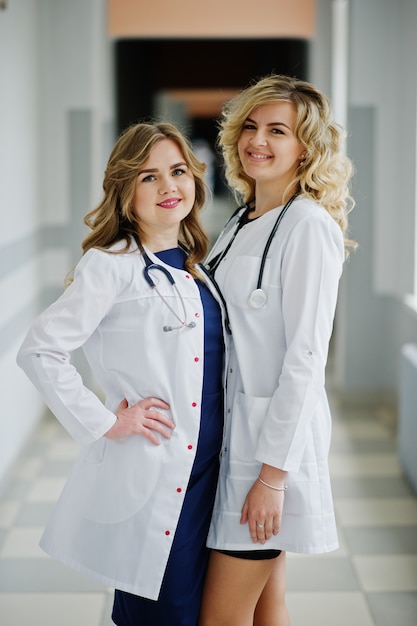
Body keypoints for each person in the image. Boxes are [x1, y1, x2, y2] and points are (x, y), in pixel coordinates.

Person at [16, 122, 227, 626]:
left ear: (195, 179)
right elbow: (40, 350)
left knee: (200, 610)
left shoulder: (199, 264)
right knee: (164, 612)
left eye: (177, 171)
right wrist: (108, 422)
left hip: (211, 471)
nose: (168, 187)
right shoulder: (110, 265)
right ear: (126, 192)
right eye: (148, 177)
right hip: (158, 473)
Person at [199, 74, 356, 626]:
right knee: (268, 606)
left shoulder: (309, 226)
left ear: (306, 147)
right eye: (250, 126)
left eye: (277, 130)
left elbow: (306, 360)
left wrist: (271, 478)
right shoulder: (241, 220)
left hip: (266, 452)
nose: (256, 140)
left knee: (220, 617)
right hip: (236, 437)